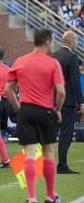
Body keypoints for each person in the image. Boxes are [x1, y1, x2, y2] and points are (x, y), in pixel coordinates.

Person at [5, 28, 65, 203]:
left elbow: (8, 89)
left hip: (26, 110)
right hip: (46, 111)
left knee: (29, 153)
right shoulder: (53, 63)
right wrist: (58, 109)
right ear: (47, 42)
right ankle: (50, 196)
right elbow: (61, 92)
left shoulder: (20, 61)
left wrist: (18, 108)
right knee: (48, 152)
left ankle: (31, 198)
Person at [52, 31, 83, 174]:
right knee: (66, 134)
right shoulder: (72, 57)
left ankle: (43, 163)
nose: (77, 43)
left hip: (53, 100)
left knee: (50, 133)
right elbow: (75, 82)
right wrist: (81, 101)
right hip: (68, 101)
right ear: (70, 41)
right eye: (76, 40)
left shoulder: (54, 56)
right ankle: (62, 164)